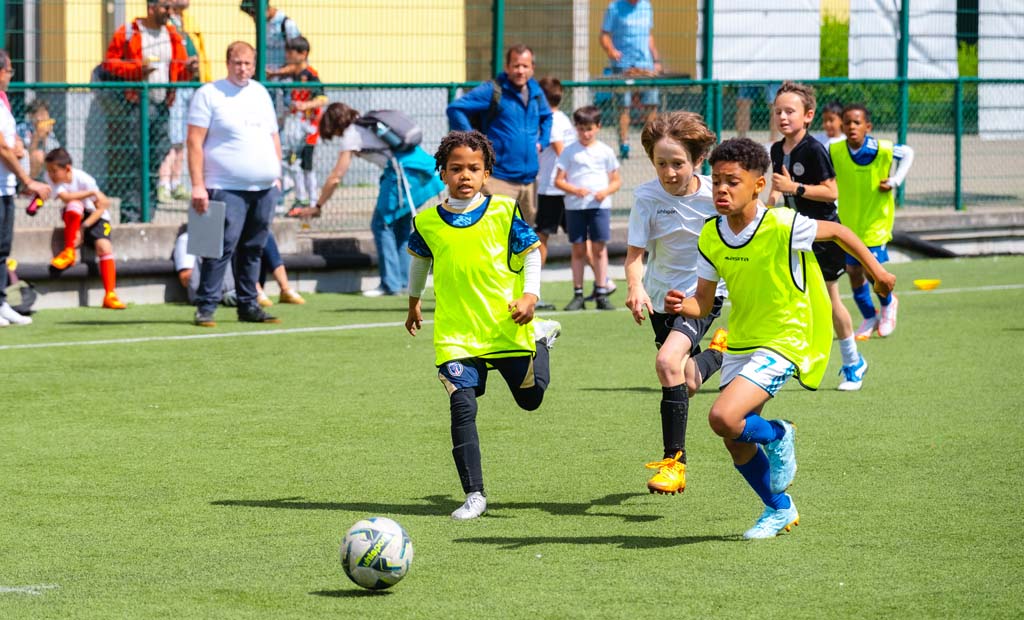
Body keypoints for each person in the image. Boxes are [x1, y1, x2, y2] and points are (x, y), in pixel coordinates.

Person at [665, 137, 895, 539]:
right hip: (742, 341)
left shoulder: (782, 224)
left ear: (758, 185)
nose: (721, 189)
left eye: (732, 181)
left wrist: (878, 273)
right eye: (717, 181)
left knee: (723, 417)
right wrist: (681, 304)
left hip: (786, 337)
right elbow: (703, 302)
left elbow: (839, 232)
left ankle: (779, 433)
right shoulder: (711, 235)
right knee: (734, 438)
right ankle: (779, 509)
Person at [404, 130, 561, 520]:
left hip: (504, 327)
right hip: (456, 335)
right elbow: (420, 262)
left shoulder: (504, 211)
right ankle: (474, 494)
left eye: (474, 168)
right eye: (456, 168)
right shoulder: (427, 222)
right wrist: (413, 303)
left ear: (486, 173)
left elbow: (532, 253)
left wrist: (530, 297)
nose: (465, 175)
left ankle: (541, 336)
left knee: (530, 400)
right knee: (462, 406)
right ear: (443, 173)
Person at [624, 111, 729, 495]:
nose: (669, 172)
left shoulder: (716, 196)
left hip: (703, 295)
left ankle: (674, 465)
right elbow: (635, 256)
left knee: (667, 362)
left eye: (678, 163)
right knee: (686, 381)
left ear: (698, 160)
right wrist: (636, 288)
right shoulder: (646, 197)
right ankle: (719, 355)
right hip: (661, 298)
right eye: (661, 163)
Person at [768, 82, 866, 392]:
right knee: (792, 299)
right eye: (778, 111)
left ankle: (853, 362)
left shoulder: (814, 149)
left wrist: (795, 189)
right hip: (793, 234)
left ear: (808, 115)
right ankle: (789, 360)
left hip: (824, 236)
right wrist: (765, 209)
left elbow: (831, 192)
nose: (783, 117)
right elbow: (776, 188)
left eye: (790, 111)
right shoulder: (776, 149)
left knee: (830, 299)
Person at [188, 41, 282, 327]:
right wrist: (198, 185)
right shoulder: (209, 93)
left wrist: (276, 174)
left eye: (248, 64)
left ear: (254, 65)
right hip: (224, 185)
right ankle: (206, 306)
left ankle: (248, 305)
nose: (243, 69)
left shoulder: (261, 93)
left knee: (254, 248)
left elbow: (273, 135)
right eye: (237, 63)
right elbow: (194, 141)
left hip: (264, 187)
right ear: (227, 63)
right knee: (218, 247)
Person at [309, 102, 445, 297]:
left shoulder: (351, 134)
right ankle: (404, 282)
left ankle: (390, 284)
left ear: (334, 124)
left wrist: (318, 205)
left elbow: (336, 177)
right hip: (423, 168)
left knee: (381, 225)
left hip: (404, 174)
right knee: (400, 227)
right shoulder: (366, 124)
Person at [831, 103, 915, 340]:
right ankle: (869, 316)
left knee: (871, 271)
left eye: (856, 122)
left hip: (876, 223)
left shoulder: (882, 148)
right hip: (849, 223)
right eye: (847, 123)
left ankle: (888, 304)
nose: (851, 126)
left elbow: (908, 153)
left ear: (867, 127)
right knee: (853, 272)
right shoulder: (835, 150)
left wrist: (895, 180)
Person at [101, 0, 189, 220]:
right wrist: (137, 70)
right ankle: (131, 214)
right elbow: (109, 63)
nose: (169, 12)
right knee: (136, 159)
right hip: (139, 103)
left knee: (158, 156)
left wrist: (189, 69)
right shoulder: (130, 32)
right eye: (165, 7)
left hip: (163, 104)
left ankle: (149, 212)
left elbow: (179, 68)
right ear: (152, 8)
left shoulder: (172, 34)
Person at [446, 43, 552, 227]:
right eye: (516, 65)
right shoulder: (493, 90)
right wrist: (473, 142)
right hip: (499, 179)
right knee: (494, 234)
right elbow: (455, 109)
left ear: (532, 68)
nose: (520, 71)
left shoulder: (535, 91)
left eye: (525, 66)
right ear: (507, 67)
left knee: (523, 237)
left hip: (529, 182)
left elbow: (547, 116)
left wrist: (542, 142)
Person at [0, 49, 51, 326]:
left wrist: (19, 145)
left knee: (2, 249)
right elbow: (1, 148)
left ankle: (1, 303)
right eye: (9, 71)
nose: (11, 76)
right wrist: (28, 180)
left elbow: (10, 141)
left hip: (5, 186)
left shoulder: (3, 101)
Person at [554, 105, 621, 311]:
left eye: (589, 129)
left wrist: (605, 192)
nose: (585, 133)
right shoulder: (569, 151)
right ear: (576, 128)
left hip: (599, 207)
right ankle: (578, 294)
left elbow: (616, 180)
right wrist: (575, 190)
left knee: (599, 249)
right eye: (581, 129)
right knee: (578, 249)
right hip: (575, 207)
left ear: (598, 127)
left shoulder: (606, 151)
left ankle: (602, 292)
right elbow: (559, 180)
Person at [43, 148, 126, 310]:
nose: (51, 175)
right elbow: (66, 198)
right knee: (74, 205)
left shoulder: (85, 179)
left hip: (95, 217)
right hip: (74, 215)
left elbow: (102, 207)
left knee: (104, 247)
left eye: (54, 171)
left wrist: (83, 228)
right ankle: (69, 252)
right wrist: (91, 193)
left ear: (67, 168)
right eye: (49, 170)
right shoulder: (51, 179)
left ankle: (110, 294)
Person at [158, 0, 209, 204]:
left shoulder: (188, 21)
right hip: (176, 85)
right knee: (172, 138)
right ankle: (163, 183)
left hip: (193, 85)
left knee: (185, 138)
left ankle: (176, 182)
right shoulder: (164, 23)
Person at [599, 0, 662, 160]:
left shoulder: (646, 6)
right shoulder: (614, 7)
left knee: (651, 104)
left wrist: (656, 59)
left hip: (645, 65)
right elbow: (604, 35)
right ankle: (624, 143)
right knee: (624, 105)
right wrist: (611, 50)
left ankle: (651, 142)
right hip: (623, 65)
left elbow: (648, 36)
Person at [174, 228, 302, 306]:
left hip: (239, 281)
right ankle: (254, 291)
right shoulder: (187, 239)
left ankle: (285, 289)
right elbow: (186, 279)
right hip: (218, 289)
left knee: (263, 233)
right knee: (237, 238)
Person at [277, 36, 327, 215]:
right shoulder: (293, 74)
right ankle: (301, 197)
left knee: (306, 164)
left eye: (291, 52)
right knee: (291, 162)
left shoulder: (311, 75)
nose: (287, 55)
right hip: (295, 127)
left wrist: (304, 106)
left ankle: (311, 201)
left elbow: (322, 99)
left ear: (303, 54)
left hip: (309, 128)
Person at [16, 99, 60, 180]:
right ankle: (26, 184)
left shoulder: (49, 131)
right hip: (24, 165)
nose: (44, 118)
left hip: (43, 165)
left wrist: (45, 139)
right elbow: (24, 154)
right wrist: (36, 137)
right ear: (31, 116)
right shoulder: (22, 129)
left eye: (46, 114)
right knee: (38, 156)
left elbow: (54, 152)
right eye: (41, 114)